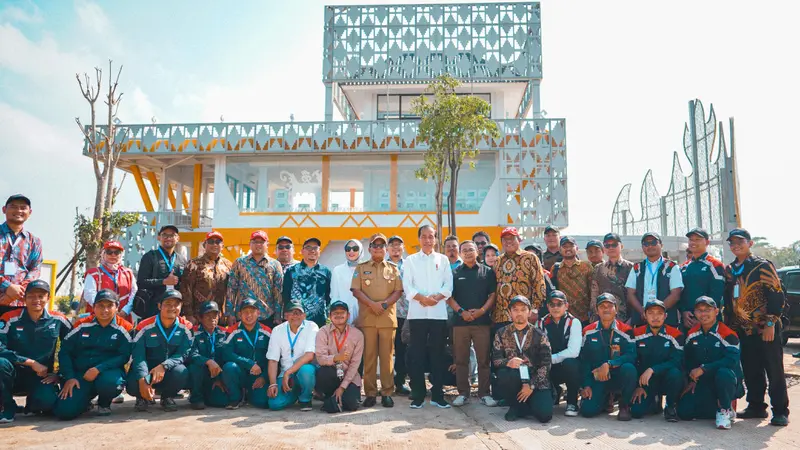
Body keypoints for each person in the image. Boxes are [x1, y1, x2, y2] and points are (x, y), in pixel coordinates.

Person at [723, 228, 789, 426]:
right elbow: (728, 300)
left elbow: (777, 295)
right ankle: (756, 406)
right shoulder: (730, 270)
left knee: (773, 369)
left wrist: (770, 323)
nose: (736, 245)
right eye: (732, 243)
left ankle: (780, 410)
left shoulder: (762, 266)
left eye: (740, 241)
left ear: (750, 243)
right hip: (743, 328)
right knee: (751, 368)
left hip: (765, 327)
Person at [54, 290, 133, 419]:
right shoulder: (81, 324)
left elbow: (124, 356)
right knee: (64, 412)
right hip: (81, 375)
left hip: (107, 373)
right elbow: (65, 351)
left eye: (109, 306)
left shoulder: (125, 327)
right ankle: (85, 401)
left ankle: (104, 402)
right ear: (94, 307)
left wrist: (98, 369)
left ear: (117, 307)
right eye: (100, 306)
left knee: (111, 383)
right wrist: (69, 377)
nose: (105, 310)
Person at [0, 280, 70, 424]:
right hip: (13, 374)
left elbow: (72, 349)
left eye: (41, 296)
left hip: (41, 376)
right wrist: (31, 363)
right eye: (31, 296)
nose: (36, 300)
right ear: (24, 298)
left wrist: (59, 375)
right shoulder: (9, 318)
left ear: (48, 298)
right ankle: (8, 407)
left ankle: (33, 403)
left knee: (47, 403)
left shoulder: (59, 320)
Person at [402, 224, 454, 409]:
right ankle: (418, 394)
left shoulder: (443, 260)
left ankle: (438, 395)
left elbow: (448, 286)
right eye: (424, 236)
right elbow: (407, 287)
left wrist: (436, 298)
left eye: (431, 236)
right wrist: (423, 299)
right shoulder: (410, 260)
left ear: (435, 239)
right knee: (416, 355)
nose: (427, 240)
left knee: (437, 355)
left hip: (438, 315)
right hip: (417, 315)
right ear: (419, 238)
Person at [493, 227, 547, 399]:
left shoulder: (530, 258)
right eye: (505, 239)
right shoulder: (498, 261)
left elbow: (539, 283)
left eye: (512, 238)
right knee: (505, 358)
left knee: (527, 356)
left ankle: (532, 391)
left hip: (525, 317)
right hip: (502, 317)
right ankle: (506, 396)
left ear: (519, 239)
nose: (508, 242)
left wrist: (535, 309)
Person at [351, 233, 403, 408]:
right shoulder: (361, 267)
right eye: (375, 245)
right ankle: (371, 394)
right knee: (370, 357)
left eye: (382, 246)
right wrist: (372, 305)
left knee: (387, 358)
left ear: (386, 248)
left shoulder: (393, 268)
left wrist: (385, 304)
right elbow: (356, 290)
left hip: (387, 319)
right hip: (368, 319)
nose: (378, 248)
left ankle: (388, 393)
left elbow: (398, 291)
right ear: (370, 249)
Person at [678, 296, 744, 430]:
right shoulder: (692, 333)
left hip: (726, 380)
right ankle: (714, 406)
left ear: (716, 311)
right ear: (695, 313)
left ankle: (725, 409)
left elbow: (731, 361)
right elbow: (688, 360)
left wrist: (704, 369)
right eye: (699, 310)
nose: (703, 314)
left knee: (723, 372)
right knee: (684, 413)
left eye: (708, 310)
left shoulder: (728, 334)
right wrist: (691, 379)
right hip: (703, 381)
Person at [448, 240, 497, 407]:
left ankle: (484, 393)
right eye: (464, 250)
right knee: (461, 360)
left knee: (484, 359)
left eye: (471, 249)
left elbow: (492, 294)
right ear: (461, 254)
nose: (468, 253)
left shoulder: (487, 272)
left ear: (477, 251)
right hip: (460, 323)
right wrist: (462, 312)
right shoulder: (454, 273)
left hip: (482, 322)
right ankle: (463, 393)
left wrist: (482, 311)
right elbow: (449, 297)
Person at [127, 290, 192, 413]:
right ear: (159, 306)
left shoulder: (186, 327)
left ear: (181, 307)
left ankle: (167, 397)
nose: (172, 308)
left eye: (176, 304)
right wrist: (142, 379)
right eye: (167, 303)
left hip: (168, 371)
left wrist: (164, 366)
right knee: (132, 382)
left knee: (181, 371)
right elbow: (138, 355)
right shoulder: (144, 326)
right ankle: (142, 397)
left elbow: (183, 353)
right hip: (148, 370)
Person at [493, 295, 552, 422]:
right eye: (515, 309)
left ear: (529, 312)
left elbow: (546, 364)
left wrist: (531, 385)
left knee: (545, 416)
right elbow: (496, 360)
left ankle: (528, 404)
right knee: (504, 374)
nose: (519, 313)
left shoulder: (539, 334)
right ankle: (515, 406)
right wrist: (508, 362)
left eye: (523, 309)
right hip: (514, 376)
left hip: (536, 380)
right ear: (509, 312)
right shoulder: (501, 333)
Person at [579, 293, 637, 421]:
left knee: (629, 368)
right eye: (602, 306)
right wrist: (586, 385)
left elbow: (631, 355)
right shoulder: (588, 331)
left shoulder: (626, 330)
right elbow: (584, 360)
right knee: (587, 411)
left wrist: (610, 364)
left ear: (616, 309)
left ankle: (624, 405)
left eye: (610, 306)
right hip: (598, 377)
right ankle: (605, 399)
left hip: (618, 376)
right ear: (597, 310)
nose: (606, 309)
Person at [630, 299, 684, 422]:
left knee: (676, 373)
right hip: (646, 381)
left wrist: (653, 369)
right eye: (651, 313)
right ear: (644, 315)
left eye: (659, 313)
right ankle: (654, 401)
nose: (655, 317)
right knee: (636, 412)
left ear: (665, 316)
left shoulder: (676, 335)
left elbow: (677, 361)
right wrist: (638, 386)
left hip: (667, 378)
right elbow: (633, 360)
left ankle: (670, 406)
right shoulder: (636, 334)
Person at [266, 299, 319, 411]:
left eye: (298, 313)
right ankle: (294, 393)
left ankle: (305, 398)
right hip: (285, 375)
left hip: (301, 371)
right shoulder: (277, 330)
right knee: (274, 404)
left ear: (304, 315)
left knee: (307, 371)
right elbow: (273, 360)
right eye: (291, 312)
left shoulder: (312, 327)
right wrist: (273, 384)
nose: (295, 316)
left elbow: (309, 356)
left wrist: (288, 372)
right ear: (285, 315)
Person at [226, 230, 284, 328]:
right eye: (255, 242)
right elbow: (231, 288)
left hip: (267, 315)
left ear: (267, 244)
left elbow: (278, 291)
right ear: (250, 244)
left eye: (261, 242)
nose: (258, 245)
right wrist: (230, 313)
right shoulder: (239, 262)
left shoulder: (275, 264)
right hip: (243, 314)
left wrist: (278, 315)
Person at [221, 298, 272, 409]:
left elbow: (273, 358)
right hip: (240, 373)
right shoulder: (232, 331)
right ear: (240, 314)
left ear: (258, 313)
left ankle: (249, 395)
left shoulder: (267, 331)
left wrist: (264, 377)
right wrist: (249, 363)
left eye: (252, 311)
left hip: (258, 375)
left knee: (262, 402)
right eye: (245, 312)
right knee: (229, 367)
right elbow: (226, 353)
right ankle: (236, 398)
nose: (249, 315)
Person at [537, 290, 582, 417]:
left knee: (571, 363)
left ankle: (572, 402)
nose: (555, 307)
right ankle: (554, 391)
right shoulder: (540, 323)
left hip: (566, 366)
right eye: (552, 304)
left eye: (559, 304)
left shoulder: (574, 322)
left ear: (566, 306)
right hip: (548, 366)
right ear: (548, 307)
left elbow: (573, 352)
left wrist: (552, 359)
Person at [315, 300, 364, 413]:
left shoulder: (357, 335)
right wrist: (336, 358)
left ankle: (334, 401)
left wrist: (342, 388)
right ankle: (329, 397)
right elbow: (321, 359)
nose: (339, 315)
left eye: (342, 312)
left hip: (349, 377)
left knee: (352, 405)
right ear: (330, 316)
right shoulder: (323, 332)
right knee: (323, 372)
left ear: (348, 315)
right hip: (331, 374)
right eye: (335, 313)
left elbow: (355, 365)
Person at [625, 232, 683, 327]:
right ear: (642, 247)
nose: (650, 246)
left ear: (661, 245)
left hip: (666, 321)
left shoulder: (672, 267)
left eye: (653, 242)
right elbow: (630, 294)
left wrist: (656, 314)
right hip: (641, 319)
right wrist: (644, 313)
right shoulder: (636, 267)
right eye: (646, 244)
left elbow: (675, 295)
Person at [0, 194, 43, 316]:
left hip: (20, 304)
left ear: (30, 212)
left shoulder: (34, 241)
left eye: (23, 208)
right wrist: (7, 287)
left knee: (17, 335)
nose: (18, 211)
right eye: (13, 206)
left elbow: (35, 269)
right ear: (4, 209)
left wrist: (17, 292)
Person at [180, 230, 232, 327]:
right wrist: (189, 314)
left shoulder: (228, 265)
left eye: (218, 242)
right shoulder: (194, 264)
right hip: (199, 316)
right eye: (211, 242)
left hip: (220, 317)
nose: (214, 244)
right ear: (204, 245)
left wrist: (229, 314)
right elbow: (186, 290)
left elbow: (231, 291)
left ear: (222, 246)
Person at [136, 225, 187, 319]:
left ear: (177, 238)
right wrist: (163, 281)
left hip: (175, 309)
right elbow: (141, 282)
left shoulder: (182, 259)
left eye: (172, 235)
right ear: (159, 237)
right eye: (164, 235)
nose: (168, 238)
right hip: (153, 309)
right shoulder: (150, 256)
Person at [680, 228, 725, 329]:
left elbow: (717, 294)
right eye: (691, 240)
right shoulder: (683, 267)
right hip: (688, 321)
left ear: (707, 242)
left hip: (709, 322)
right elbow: (680, 292)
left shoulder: (715, 264)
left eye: (697, 239)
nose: (693, 242)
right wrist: (683, 312)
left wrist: (702, 316)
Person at [282, 237, 332, 328]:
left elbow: (329, 296)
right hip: (296, 319)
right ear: (302, 251)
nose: (312, 251)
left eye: (315, 248)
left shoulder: (326, 272)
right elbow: (286, 295)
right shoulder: (292, 271)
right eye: (308, 247)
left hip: (319, 320)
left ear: (319, 251)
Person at [188, 301, 229, 410]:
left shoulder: (224, 333)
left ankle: (210, 394)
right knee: (195, 366)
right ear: (200, 318)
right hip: (201, 374)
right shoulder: (193, 333)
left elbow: (228, 356)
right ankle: (196, 398)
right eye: (207, 316)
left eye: (215, 315)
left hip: (217, 374)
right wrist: (208, 362)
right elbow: (191, 354)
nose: (212, 319)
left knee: (221, 402)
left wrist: (220, 379)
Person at [82, 240, 137, 321]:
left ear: (121, 255)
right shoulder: (93, 273)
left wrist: (125, 311)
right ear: (103, 254)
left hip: (123, 318)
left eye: (117, 252)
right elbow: (89, 294)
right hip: (99, 318)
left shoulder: (128, 273)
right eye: (109, 252)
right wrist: (105, 310)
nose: (113, 255)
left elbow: (134, 293)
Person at [591, 233, 634, 323]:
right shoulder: (599, 268)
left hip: (625, 319)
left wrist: (632, 319)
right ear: (604, 249)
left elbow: (636, 295)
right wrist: (595, 318)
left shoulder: (631, 268)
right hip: (603, 318)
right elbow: (594, 295)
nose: (611, 248)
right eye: (607, 245)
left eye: (614, 244)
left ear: (621, 246)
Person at [387, 235, 410, 396]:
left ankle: (400, 382)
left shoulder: (409, 264)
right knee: (386, 350)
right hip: (386, 313)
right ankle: (386, 384)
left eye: (399, 246)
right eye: (392, 246)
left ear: (403, 248)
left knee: (402, 350)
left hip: (405, 314)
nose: (396, 249)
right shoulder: (383, 265)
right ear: (388, 248)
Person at [551, 237, 593, 325]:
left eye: (571, 246)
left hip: (584, 317)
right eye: (565, 246)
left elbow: (593, 290)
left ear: (576, 248)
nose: (568, 249)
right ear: (560, 249)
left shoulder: (586, 266)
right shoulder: (556, 268)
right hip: (563, 317)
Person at [330, 239, 363, 325]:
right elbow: (334, 295)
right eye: (348, 249)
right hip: (342, 315)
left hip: (363, 315)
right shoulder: (338, 270)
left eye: (355, 248)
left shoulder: (366, 269)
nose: (351, 251)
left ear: (361, 250)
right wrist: (337, 315)